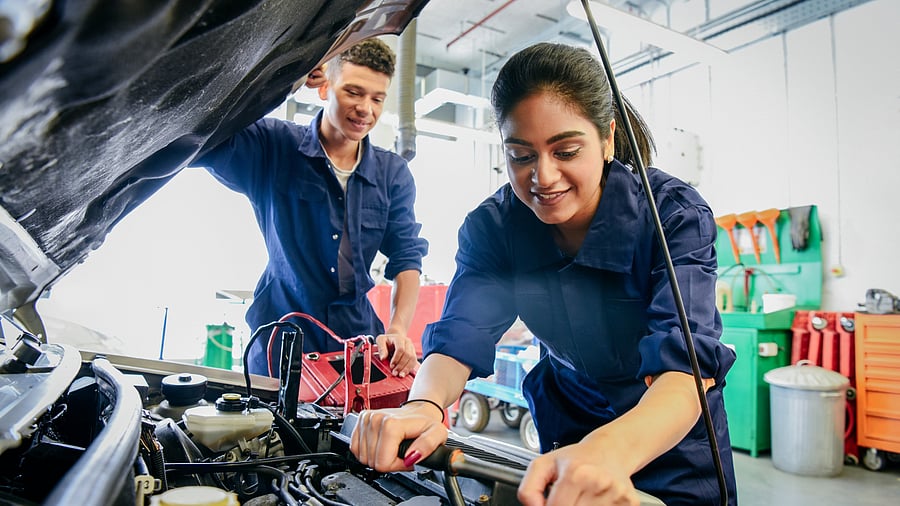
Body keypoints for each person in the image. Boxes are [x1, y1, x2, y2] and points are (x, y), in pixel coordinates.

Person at [349, 42, 738, 506]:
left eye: (566, 150)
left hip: (671, 437)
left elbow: (685, 369)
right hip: (570, 423)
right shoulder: (495, 228)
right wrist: (424, 406)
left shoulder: (672, 215)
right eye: (521, 156)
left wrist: (605, 453)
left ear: (608, 138)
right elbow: (460, 336)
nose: (544, 176)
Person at [195, 38, 428, 379]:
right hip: (280, 342)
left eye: (377, 98)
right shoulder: (273, 147)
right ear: (323, 88)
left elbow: (407, 257)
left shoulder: (392, 174)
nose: (366, 109)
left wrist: (397, 328)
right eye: (353, 92)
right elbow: (205, 133)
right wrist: (284, 81)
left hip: (356, 347)